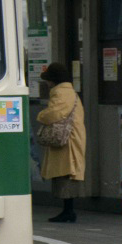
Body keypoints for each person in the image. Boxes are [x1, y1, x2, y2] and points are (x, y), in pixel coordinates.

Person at [37, 62, 85, 222]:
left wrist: (41, 116)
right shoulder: (70, 92)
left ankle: (69, 211)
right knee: (65, 173)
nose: (47, 83)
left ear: (54, 80)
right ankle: (67, 210)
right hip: (70, 137)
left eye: (49, 79)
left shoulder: (61, 93)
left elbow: (55, 113)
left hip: (67, 140)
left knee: (66, 174)